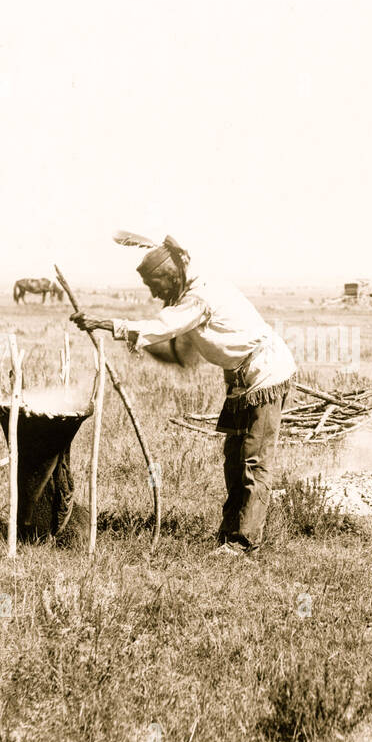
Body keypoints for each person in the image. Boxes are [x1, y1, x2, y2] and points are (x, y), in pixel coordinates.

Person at [72, 235, 296, 554]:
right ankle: (231, 532)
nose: (154, 293)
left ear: (172, 275)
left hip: (265, 373)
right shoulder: (193, 291)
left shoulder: (199, 297)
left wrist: (104, 324)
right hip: (240, 378)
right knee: (234, 459)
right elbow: (180, 350)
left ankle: (244, 542)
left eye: (155, 284)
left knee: (254, 459)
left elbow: (162, 328)